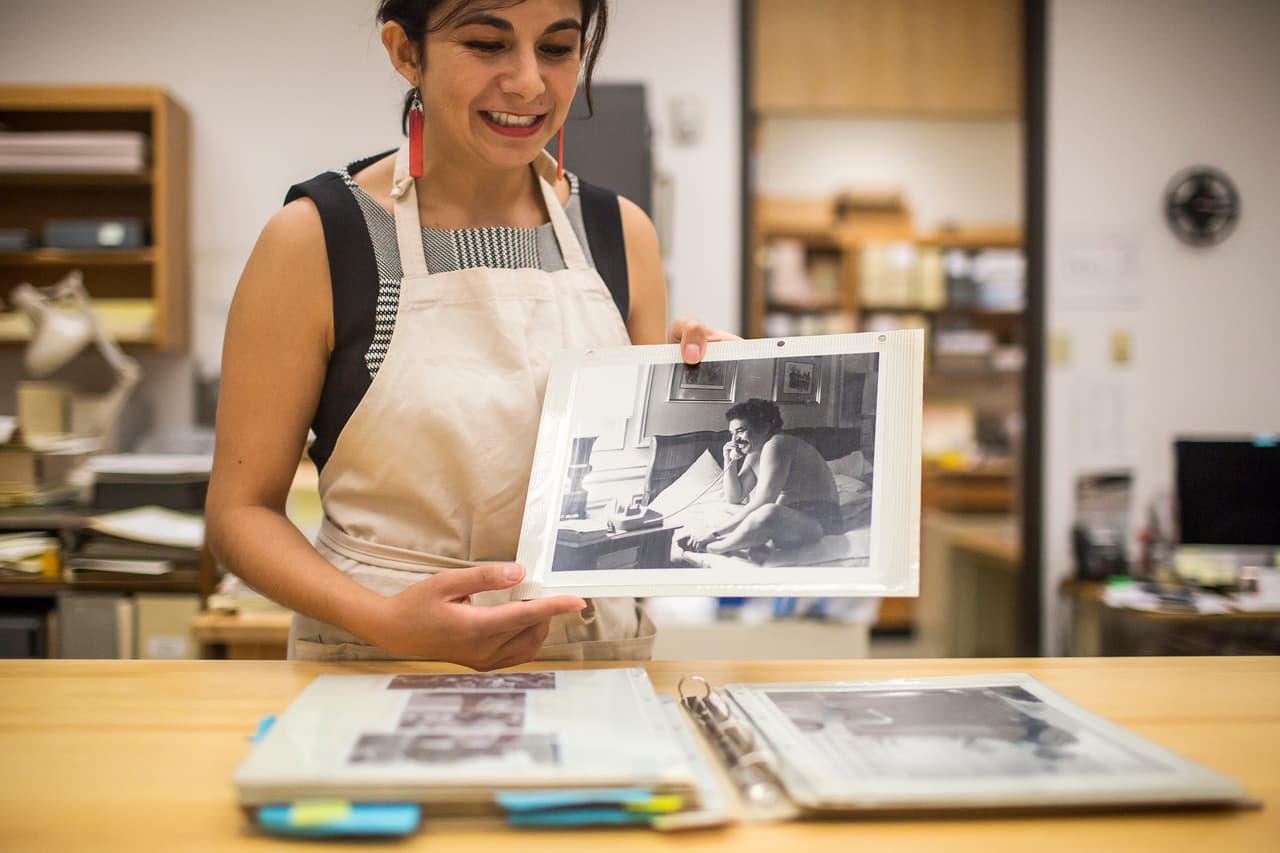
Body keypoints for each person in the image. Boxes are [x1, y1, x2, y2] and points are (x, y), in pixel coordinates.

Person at [205, 0, 732, 667]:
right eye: (487, 43)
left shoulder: (620, 235)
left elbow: (638, 484)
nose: (527, 83)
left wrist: (716, 391)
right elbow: (239, 513)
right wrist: (385, 620)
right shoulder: (319, 240)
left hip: (586, 662)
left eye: (557, 48)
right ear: (405, 51)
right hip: (383, 660)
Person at [681, 398, 841, 557]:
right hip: (792, 521)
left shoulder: (778, 444)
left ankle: (716, 547)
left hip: (821, 521)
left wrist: (713, 532)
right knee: (763, 515)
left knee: (768, 512)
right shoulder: (756, 452)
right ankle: (738, 542)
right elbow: (734, 497)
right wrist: (728, 459)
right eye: (732, 433)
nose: (734, 440)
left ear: (764, 428)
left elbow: (764, 502)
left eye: (740, 431)